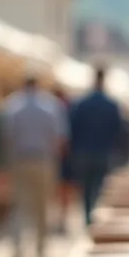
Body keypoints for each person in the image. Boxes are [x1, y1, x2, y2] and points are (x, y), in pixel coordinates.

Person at [0, 74, 67, 257]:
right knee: (42, 209)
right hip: (44, 161)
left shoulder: (12, 105)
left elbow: (5, 138)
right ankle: (40, 252)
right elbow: (60, 139)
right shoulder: (50, 105)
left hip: (19, 162)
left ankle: (17, 253)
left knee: (19, 208)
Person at [68, 68, 125, 225]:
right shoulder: (111, 105)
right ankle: (93, 212)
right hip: (103, 151)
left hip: (83, 151)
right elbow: (118, 130)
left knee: (85, 187)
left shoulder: (81, 103)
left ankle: (87, 215)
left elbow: (72, 128)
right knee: (98, 186)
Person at [51, 87, 77, 233]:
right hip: (64, 156)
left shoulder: (56, 108)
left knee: (61, 188)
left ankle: (61, 217)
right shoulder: (69, 108)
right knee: (64, 188)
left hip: (58, 157)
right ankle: (61, 217)